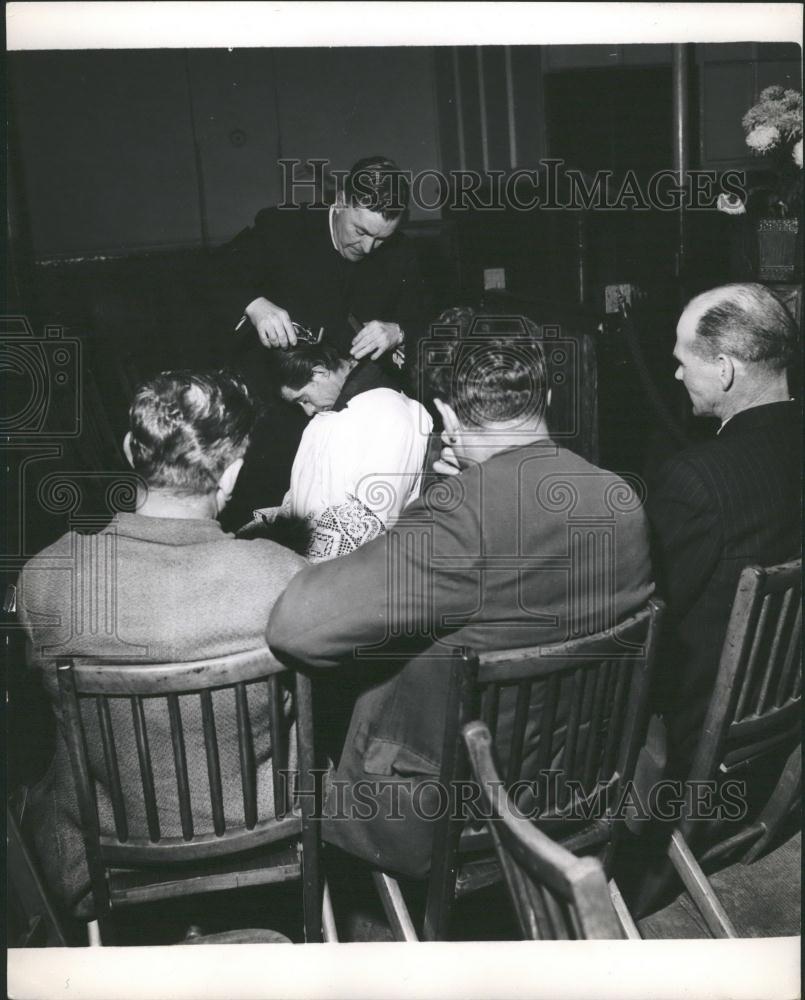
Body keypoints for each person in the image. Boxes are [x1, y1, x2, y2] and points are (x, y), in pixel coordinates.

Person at [267, 312, 653, 876]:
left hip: (450, 811)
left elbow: (295, 628)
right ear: (544, 396)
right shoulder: (622, 499)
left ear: (447, 416)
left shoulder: (458, 517)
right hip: (578, 781)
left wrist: (440, 505)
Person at [16, 370, 306, 908]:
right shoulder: (285, 576)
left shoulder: (44, 579)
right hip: (272, 839)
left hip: (105, 859)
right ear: (232, 472)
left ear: (131, 450)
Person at [213, 155, 427, 528]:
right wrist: (254, 304)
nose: (368, 248)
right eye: (360, 231)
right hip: (273, 406)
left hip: (346, 412)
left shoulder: (401, 253)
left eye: (381, 238)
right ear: (341, 200)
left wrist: (399, 330)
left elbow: (429, 317)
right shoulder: (282, 227)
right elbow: (212, 275)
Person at [645, 283, 800, 770]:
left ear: (725, 369)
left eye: (683, 360)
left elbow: (646, 611)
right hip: (786, 719)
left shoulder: (697, 479)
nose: (677, 373)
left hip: (706, 739)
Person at [251, 340, 433, 560]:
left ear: (319, 372)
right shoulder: (320, 421)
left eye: (304, 399)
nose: (307, 411)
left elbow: (368, 525)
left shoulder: (392, 412)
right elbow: (298, 505)